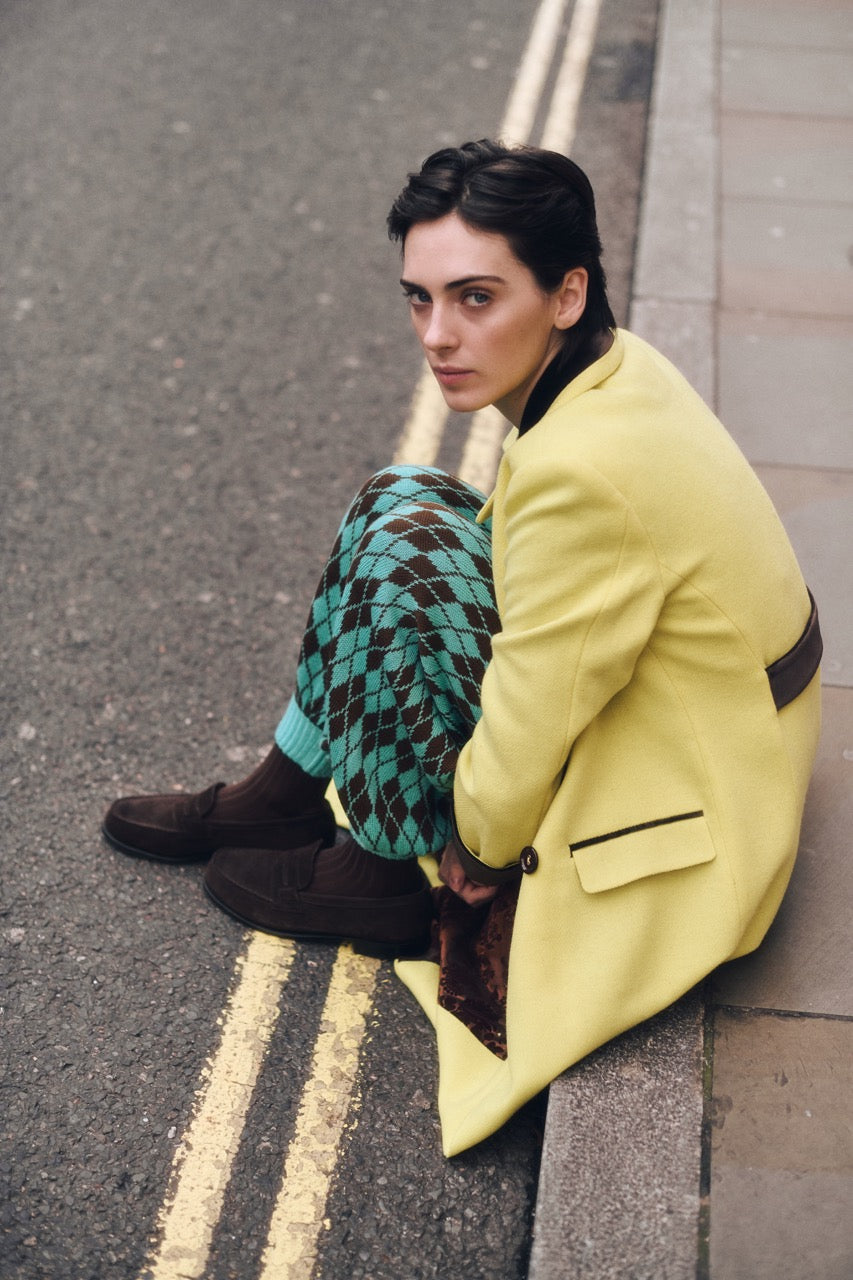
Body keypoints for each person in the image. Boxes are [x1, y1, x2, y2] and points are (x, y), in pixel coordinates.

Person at [103, 140, 822, 1156]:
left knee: (406, 541)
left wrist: (478, 854)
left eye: (475, 298)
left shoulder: (583, 470)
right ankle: (285, 788)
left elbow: (535, 710)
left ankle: (387, 874)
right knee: (399, 498)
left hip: (691, 794)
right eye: (420, 299)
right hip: (717, 715)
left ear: (566, 293)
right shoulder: (611, 366)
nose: (437, 335)